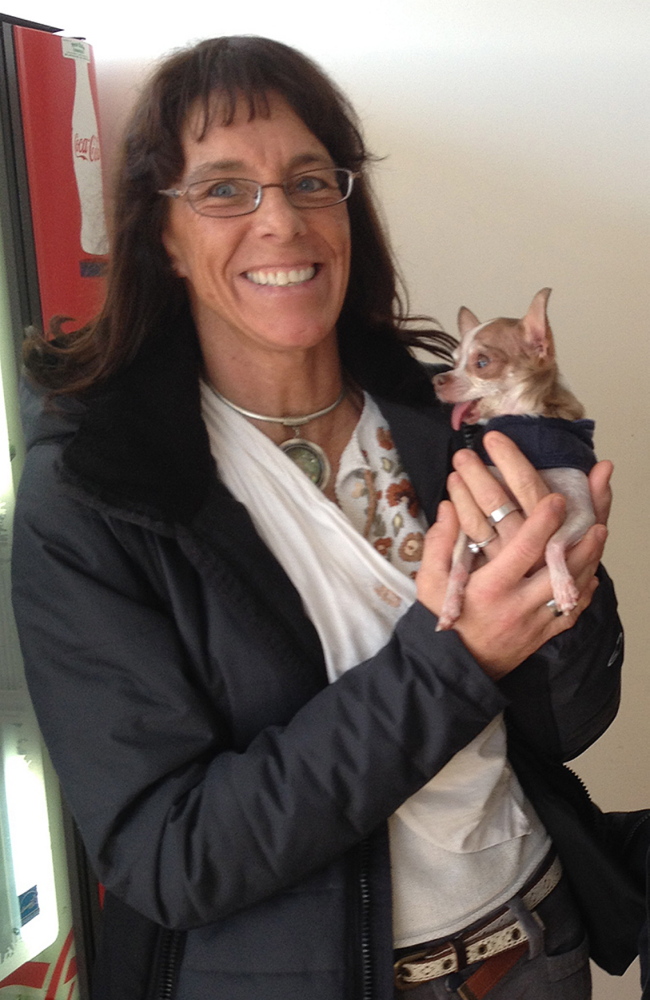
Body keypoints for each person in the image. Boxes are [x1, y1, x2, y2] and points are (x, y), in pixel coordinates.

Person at [11, 35, 624, 1000]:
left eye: (310, 180)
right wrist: (458, 658)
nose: (281, 222)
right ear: (161, 234)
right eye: (223, 190)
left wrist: (567, 598)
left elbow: (573, 723)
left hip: (536, 952)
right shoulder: (100, 491)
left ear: (347, 205)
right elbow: (172, 857)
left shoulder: (446, 421)